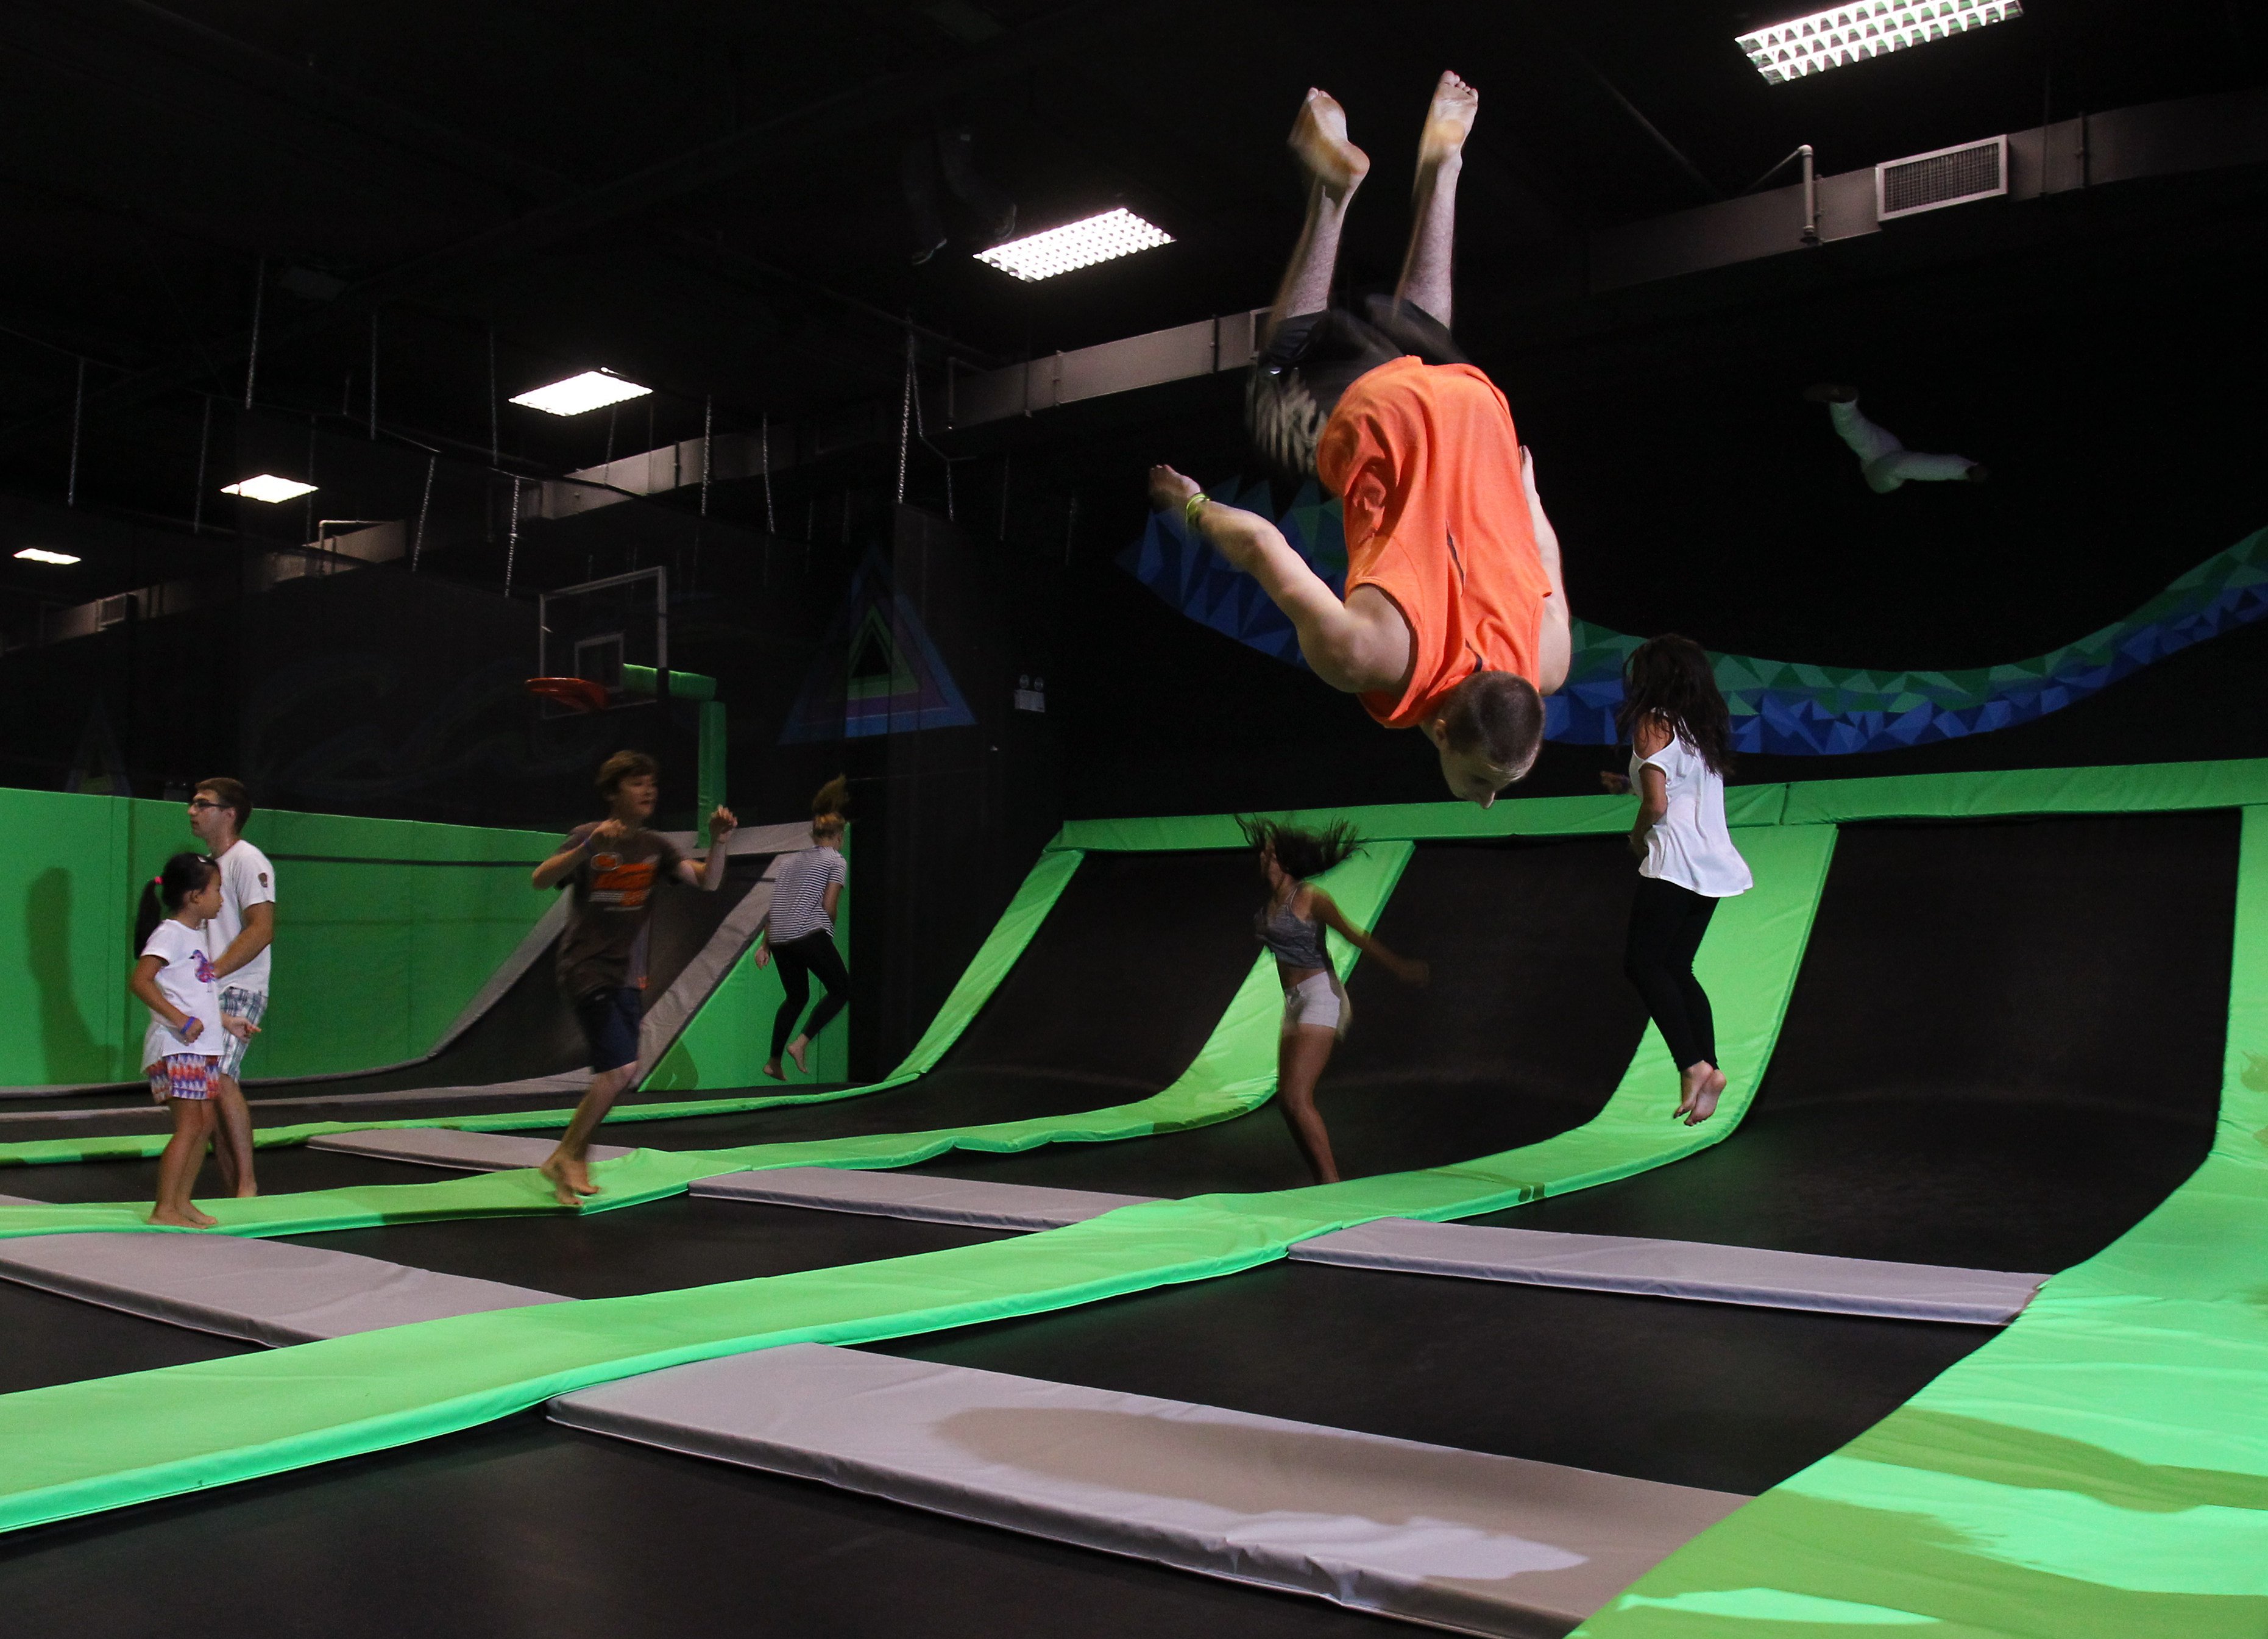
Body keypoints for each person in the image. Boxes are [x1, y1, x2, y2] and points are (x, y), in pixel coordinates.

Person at [1147, 73, 1572, 807]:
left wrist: (1524, 491)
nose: (1485, 801)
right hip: (1387, 422)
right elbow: (1260, 548)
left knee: (1427, 341)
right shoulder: (1363, 656)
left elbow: (1543, 555)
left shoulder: (1550, 664)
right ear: (1441, 735)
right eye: (1483, 780)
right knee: (1274, 381)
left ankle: (1443, 169)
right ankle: (1331, 198)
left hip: (1480, 418)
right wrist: (1189, 508)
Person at [531, 751, 737, 1207]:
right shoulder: (588, 836)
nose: (648, 792)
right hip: (586, 967)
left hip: (627, 974)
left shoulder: (655, 847)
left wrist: (719, 841)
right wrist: (586, 849)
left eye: (652, 784)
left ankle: (574, 1160)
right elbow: (540, 879)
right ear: (612, 792)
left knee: (620, 1071)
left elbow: (708, 882)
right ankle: (565, 1154)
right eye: (636, 784)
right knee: (619, 1069)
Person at [1611, 636, 1753, 1126]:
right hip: (1712, 865)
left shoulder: (1652, 721)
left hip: (1674, 863)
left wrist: (1635, 838)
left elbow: (1657, 806)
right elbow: (1677, 783)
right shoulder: (1697, 729)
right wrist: (1624, 780)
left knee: (1642, 963)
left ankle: (1692, 1065)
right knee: (1676, 964)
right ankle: (1709, 1069)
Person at [1242, 817, 1428, 1183]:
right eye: (1263, 853)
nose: (1263, 858)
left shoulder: (1310, 897)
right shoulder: (1267, 911)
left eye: (1270, 854)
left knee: (1297, 1096)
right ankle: (1322, 1181)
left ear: (1285, 861)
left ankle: (1332, 1184)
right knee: (1287, 1100)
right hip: (1294, 1001)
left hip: (1321, 995)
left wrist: (1400, 967)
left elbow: (1355, 936)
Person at [130, 853, 258, 1227]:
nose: (221, 898)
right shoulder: (170, 934)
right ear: (194, 896)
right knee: (190, 1127)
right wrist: (180, 1020)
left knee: (202, 1126)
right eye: (217, 890)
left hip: (200, 1048)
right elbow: (141, 981)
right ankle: (164, 1207)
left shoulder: (195, 937)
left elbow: (193, 993)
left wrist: (226, 1022)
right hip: (176, 1047)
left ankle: (180, 1202)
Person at [186, 777, 270, 1198]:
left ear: (229, 813)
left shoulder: (246, 859)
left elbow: (262, 929)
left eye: (203, 804)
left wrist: (213, 972)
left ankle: (248, 1184)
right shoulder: (208, 865)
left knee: (220, 1074)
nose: (192, 810)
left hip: (239, 985)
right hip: (211, 987)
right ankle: (231, 1188)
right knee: (206, 1087)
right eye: (193, 803)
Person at [755, 777, 851, 1082]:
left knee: (796, 997)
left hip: (781, 938)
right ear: (837, 836)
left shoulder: (789, 863)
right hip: (808, 934)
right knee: (842, 989)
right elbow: (830, 905)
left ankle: (773, 1060)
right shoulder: (835, 859)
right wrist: (827, 931)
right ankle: (801, 1043)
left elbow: (776, 907)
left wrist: (765, 945)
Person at [1805, 383, 1986, 491]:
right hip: (1884, 459)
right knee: (1899, 464)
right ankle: (1966, 470)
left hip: (1882, 456)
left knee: (1854, 432)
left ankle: (1843, 403)